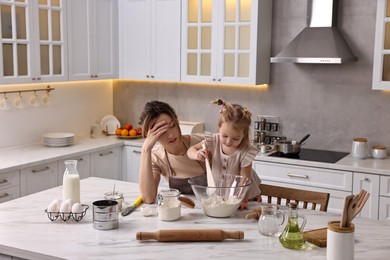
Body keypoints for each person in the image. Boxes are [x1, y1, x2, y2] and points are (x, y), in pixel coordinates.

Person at [187, 99, 261, 210]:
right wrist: (197, 154)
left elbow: (244, 179)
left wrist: (242, 200)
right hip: (218, 194)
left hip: (241, 195)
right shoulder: (214, 140)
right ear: (219, 128)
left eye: (235, 138)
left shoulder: (246, 151)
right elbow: (190, 150)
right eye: (224, 136)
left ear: (244, 135)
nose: (228, 142)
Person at [138, 100, 206, 204]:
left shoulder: (202, 142)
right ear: (150, 135)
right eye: (161, 132)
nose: (170, 135)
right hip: (182, 211)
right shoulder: (157, 157)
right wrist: (145, 150)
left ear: (177, 121)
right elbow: (148, 198)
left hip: (212, 207)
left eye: (172, 125)